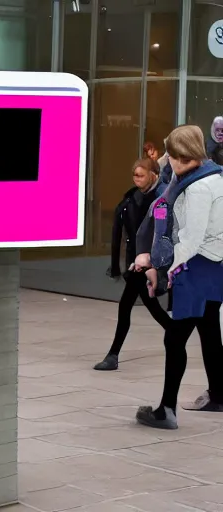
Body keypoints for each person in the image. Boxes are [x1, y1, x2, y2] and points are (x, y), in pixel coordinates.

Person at [135, 125, 223, 430]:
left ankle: (166, 411)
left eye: (169, 152)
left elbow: (191, 239)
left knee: (175, 338)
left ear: (177, 154)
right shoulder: (212, 175)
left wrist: (165, 271)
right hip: (213, 265)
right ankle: (219, 395)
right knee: (210, 328)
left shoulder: (197, 187)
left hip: (195, 266)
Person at [94, 159, 171, 371]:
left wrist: (154, 260)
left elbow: (162, 231)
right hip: (137, 262)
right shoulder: (132, 198)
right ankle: (175, 334)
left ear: (153, 175)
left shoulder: (161, 196)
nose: (136, 179)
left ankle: (113, 355)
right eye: (134, 175)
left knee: (131, 305)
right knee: (149, 306)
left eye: (141, 175)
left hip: (149, 262)